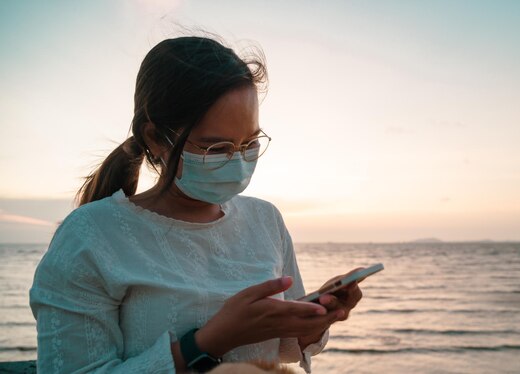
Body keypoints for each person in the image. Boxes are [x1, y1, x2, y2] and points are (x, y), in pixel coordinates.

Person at [29, 35, 363, 373]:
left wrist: (313, 323)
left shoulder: (266, 220)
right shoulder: (90, 235)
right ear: (155, 138)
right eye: (215, 148)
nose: (237, 160)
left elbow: (285, 346)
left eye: (249, 143)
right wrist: (208, 342)